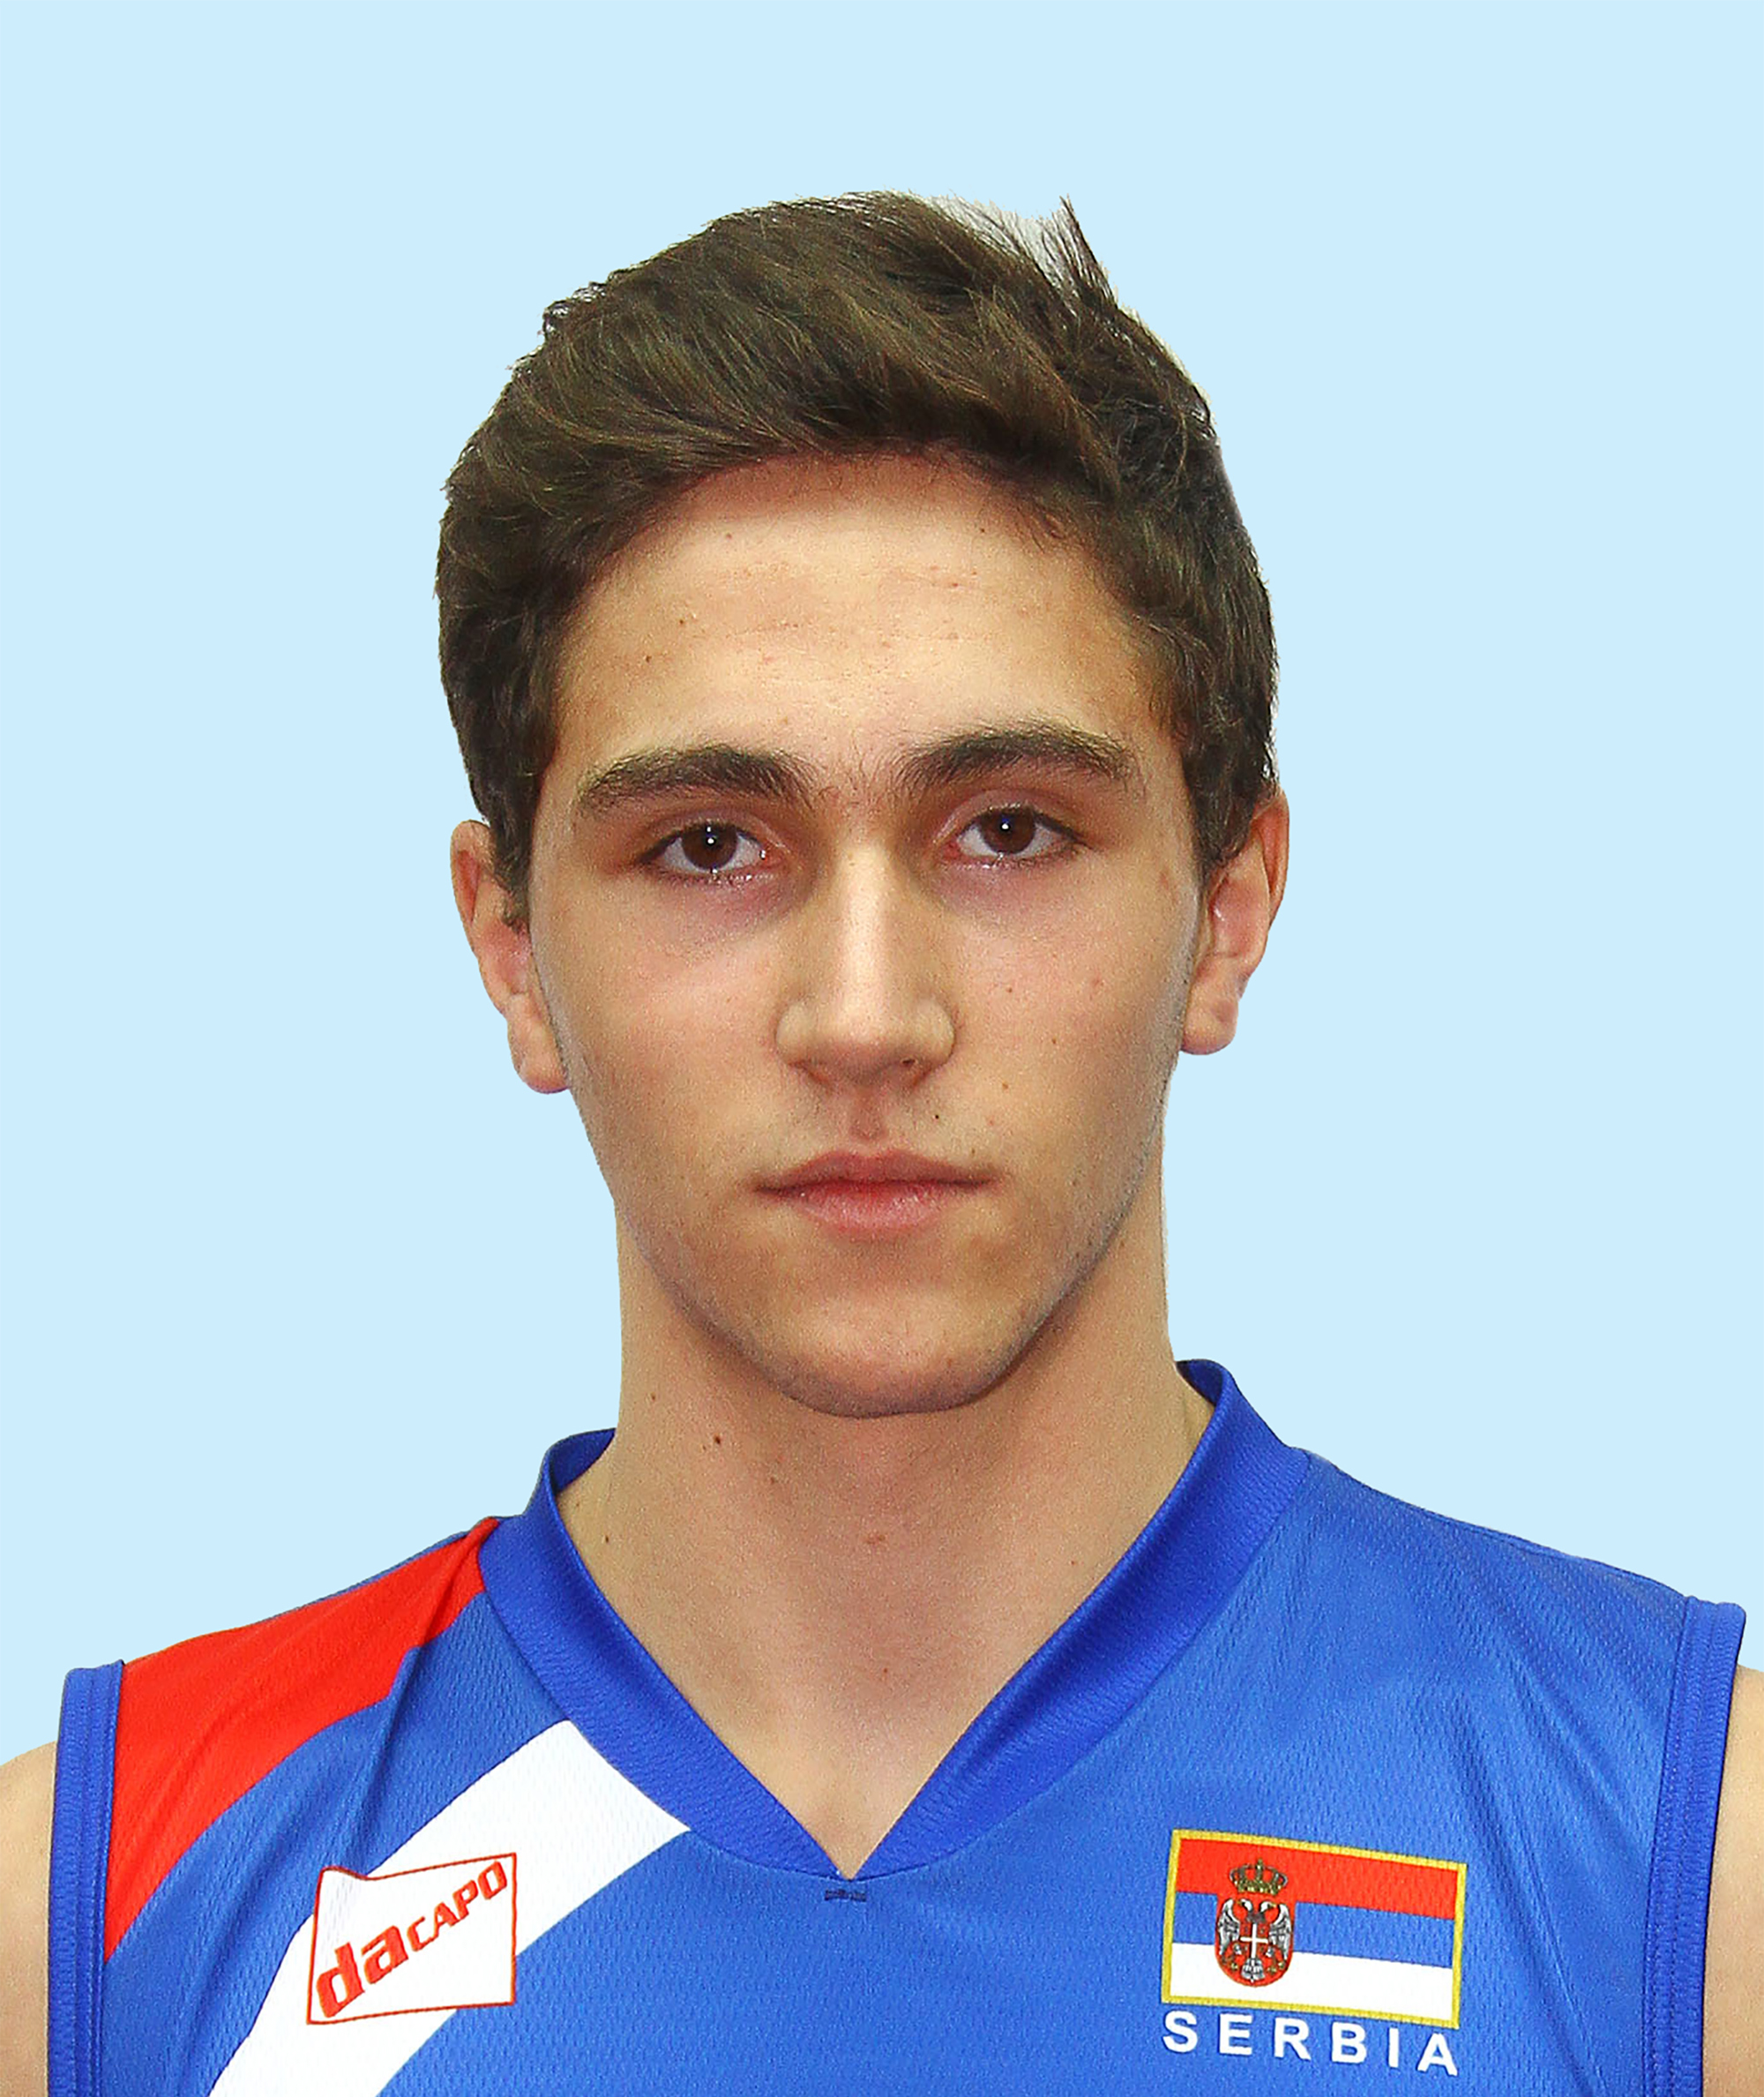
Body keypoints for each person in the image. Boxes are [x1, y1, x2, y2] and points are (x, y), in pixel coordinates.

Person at [0, 191, 1757, 2096]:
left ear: (1229, 906)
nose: (862, 1013)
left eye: (1008, 830)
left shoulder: (1682, 1869)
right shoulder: (98, 1907)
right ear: (510, 946)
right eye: (707, 846)